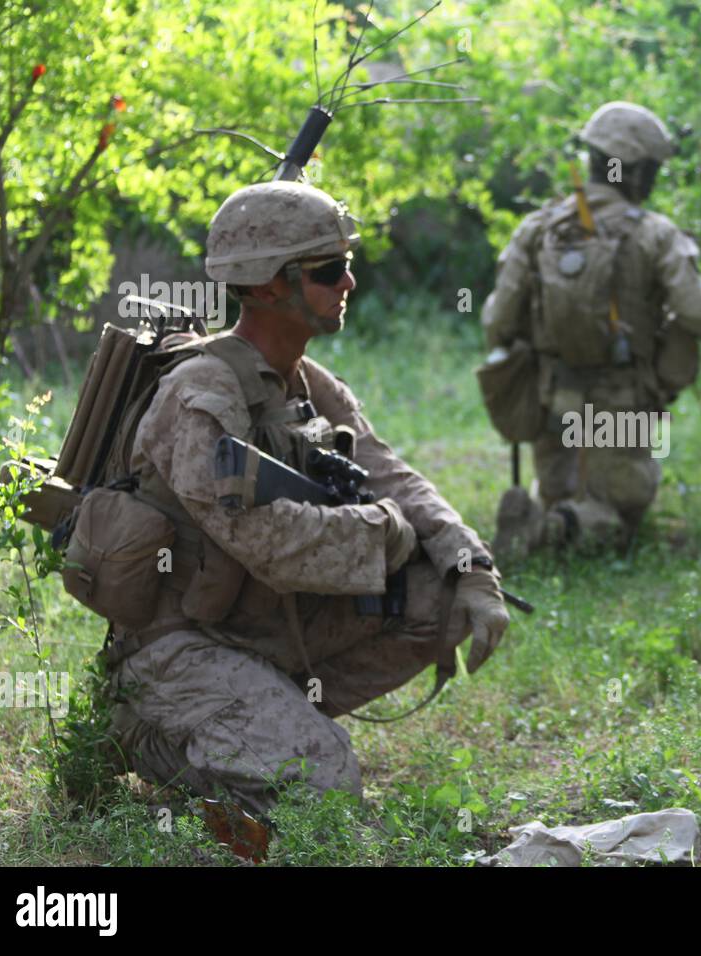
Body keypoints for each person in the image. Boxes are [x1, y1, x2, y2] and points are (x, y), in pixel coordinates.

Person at [103, 180, 509, 816]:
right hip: (181, 643)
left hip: (256, 627)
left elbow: (391, 476)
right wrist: (386, 533)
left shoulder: (303, 381)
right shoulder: (202, 394)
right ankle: (150, 735)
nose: (348, 283)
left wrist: (471, 563)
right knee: (323, 790)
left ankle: (264, 719)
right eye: (330, 270)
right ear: (267, 287)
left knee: (438, 597)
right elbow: (270, 542)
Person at [480, 101, 701, 558]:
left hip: (552, 403)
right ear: (634, 171)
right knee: (621, 518)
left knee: (561, 494)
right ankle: (548, 533)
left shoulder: (538, 228)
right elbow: (697, 316)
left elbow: (497, 322)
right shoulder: (655, 233)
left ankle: (546, 515)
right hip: (622, 405)